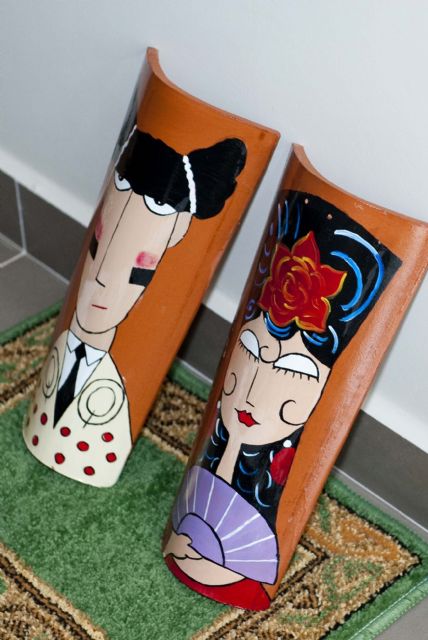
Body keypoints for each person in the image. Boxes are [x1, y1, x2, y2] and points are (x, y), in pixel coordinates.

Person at [164, 190, 401, 608]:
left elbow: (240, 565)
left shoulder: (257, 527)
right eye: (251, 353)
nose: (254, 392)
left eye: (294, 370)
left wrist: (195, 550)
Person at [23, 126, 247, 487]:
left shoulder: (115, 398)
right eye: (96, 250)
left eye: (137, 275)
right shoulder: (62, 350)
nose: (102, 282)